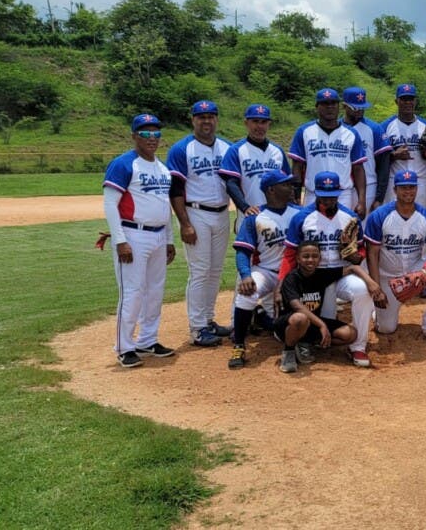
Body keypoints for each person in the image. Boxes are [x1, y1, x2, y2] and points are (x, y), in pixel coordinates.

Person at [282, 172, 386, 367]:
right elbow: (289, 254)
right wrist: (281, 282)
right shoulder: (302, 218)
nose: (328, 199)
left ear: (339, 193)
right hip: (314, 278)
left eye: (332, 194)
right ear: (315, 192)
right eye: (323, 194)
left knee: (362, 290)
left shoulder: (350, 217)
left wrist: (355, 256)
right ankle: (307, 341)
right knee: (324, 319)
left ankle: (358, 347)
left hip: (343, 273)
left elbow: (361, 250)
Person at [103, 113, 177, 368]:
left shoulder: (162, 168)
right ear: (134, 135)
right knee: (132, 293)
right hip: (132, 234)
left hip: (157, 235)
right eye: (145, 133)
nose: (151, 138)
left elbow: (164, 206)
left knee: (155, 291)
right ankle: (124, 347)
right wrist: (120, 241)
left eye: (156, 133)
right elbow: (110, 204)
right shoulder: (124, 164)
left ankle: (147, 339)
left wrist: (169, 239)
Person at [166, 100, 233, 347]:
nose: (206, 121)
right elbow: (176, 189)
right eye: (201, 116)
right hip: (196, 214)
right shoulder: (182, 149)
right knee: (200, 271)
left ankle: (208, 319)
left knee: (215, 271)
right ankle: (197, 328)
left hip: (222, 212)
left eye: (211, 116)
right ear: (193, 120)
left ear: (217, 119)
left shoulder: (227, 147)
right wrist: (185, 223)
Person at [226, 170, 300, 369]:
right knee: (247, 293)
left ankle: (262, 318)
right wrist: (246, 275)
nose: (291, 188)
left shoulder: (299, 213)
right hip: (265, 271)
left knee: (282, 333)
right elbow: (242, 251)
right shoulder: (255, 217)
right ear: (271, 190)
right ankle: (239, 345)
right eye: (285, 184)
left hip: (292, 276)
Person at [363, 170, 426, 346]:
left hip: (415, 270)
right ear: (395, 190)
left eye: (411, 187)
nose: (408, 191)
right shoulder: (379, 216)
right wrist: (377, 288)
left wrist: (424, 272)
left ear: (417, 189)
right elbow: (372, 253)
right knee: (386, 328)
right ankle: (376, 314)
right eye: (403, 188)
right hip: (387, 275)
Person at [273, 240, 360, 373]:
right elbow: (298, 307)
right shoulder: (292, 278)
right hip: (287, 326)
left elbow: (353, 268)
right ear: (298, 259)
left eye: (315, 256)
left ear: (320, 258)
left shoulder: (321, 275)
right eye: (306, 256)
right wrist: (322, 325)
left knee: (350, 334)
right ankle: (289, 351)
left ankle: (307, 343)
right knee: (300, 318)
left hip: (311, 324)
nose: (310, 260)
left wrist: (372, 284)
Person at [289, 88, 368, 216]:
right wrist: (297, 195)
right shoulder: (304, 131)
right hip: (313, 194)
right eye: (325, 104)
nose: (329, 107)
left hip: (343, 194)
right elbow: (297, 166)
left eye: (333, 103)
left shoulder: (351, 134)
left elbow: (358, 168)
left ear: (339, 107)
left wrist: (362, 201)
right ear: (317, 107)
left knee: (343, 233)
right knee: (311, 232)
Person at [218, 104, 290, 219]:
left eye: (263, 122)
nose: (259, 126)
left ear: (269, 124)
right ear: (246, 123)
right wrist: (244, 207)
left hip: (276, 214)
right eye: (255, 121)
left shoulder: (277, 151)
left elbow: (287, 183)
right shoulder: (236, 150)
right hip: (249, 214)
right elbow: (231, 183)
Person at [380, 83, 426, 207]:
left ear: (415, 101)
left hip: (420, 181)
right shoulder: (385, 126)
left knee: (421, 220)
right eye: (404, 99)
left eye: (410, 99)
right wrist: (394, 155)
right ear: (396, 101)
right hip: (394, 181)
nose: (407, 103)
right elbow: (377, 159)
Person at [341, 86, 392, 211]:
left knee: (364, 229)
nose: (359, 111)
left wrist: (379, 198)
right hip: (342, 187)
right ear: (344, 106)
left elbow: (384, 166)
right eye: (355, 107)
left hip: (369, 186)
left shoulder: (374, 128)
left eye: (362, 107)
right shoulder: (336, 128)